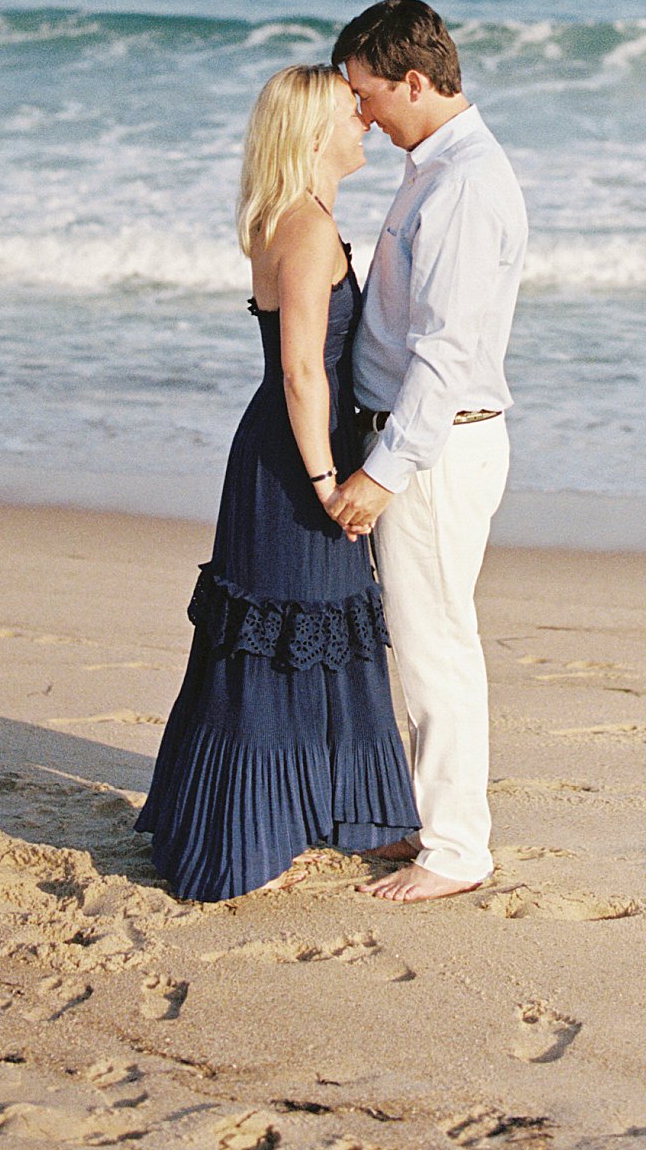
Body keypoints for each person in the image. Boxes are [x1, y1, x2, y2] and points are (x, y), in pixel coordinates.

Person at [134, 65, 419, 900]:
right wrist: (330, 481)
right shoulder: (302, 229)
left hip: (295, 448)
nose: (363, 119)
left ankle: (341, 811)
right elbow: (300, 372)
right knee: (285, 632)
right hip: (296, 458)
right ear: (310, 133)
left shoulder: (302, 219)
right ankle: (243, 831)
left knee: (320, 628)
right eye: (347, 110)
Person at [326, 0, 528, 902]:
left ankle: (456, 850)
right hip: (424, 440)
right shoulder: (434, 167)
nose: (360, 113)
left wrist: (382, 469)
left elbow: (444, 351)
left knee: (435, 642)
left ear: (414, 80)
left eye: (367, 95)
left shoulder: (461, 185)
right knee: (418, 639)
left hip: (438, 450)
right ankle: (425, 821)